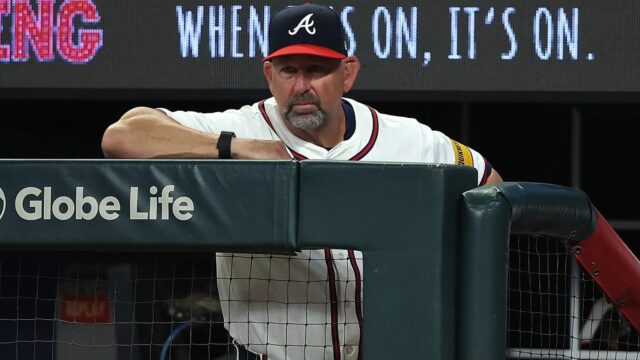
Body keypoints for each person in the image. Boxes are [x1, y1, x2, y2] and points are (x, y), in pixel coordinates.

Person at [102, 3, 503, 359]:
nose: (301, 86)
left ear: (348, 73)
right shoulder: (239, 126)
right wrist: (233, 148)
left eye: (317, 70)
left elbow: (490, 186)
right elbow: (122, 135)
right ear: (269, 74)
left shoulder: (407, 138)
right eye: (289, 70)